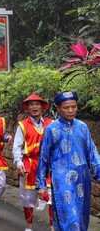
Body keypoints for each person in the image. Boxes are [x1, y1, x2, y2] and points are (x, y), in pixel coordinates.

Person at [36, 91, 100, 231]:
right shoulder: (51, 130)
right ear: (58, 109)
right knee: (69, 218)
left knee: (82, 217)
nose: (71, 110)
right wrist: (41, 184)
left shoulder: (82, 127)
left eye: (74, 106)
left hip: (82, 180)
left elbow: (92, 153)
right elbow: (44, 158)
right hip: (61, 181)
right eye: (66, 107)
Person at [12, 93, 53, 231]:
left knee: (51, 195)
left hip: (48, 165)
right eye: (31, 104)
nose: (34, 107)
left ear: (42, 107)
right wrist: (19, 163)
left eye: (37, 104)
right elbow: (16, 147)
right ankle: (29, 225)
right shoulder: (22, 126)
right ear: (27, 108)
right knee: (28, 197)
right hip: (29, 164)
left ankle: (53, 226)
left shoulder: (51, 124)